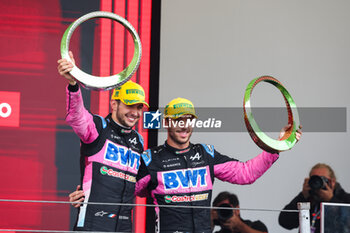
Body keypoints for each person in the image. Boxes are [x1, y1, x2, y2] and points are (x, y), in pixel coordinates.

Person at [135, 97, 302, 233]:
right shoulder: (151, 160)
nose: (184, 126)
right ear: (166, 123)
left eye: (189, 120)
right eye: (178, 120)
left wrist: (277, 146)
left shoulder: (206, 155)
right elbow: (128, 190)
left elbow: (246, 173)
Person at [57, 52, 149, 232]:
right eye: (130, 105)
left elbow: (139, 184)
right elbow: (77, 117)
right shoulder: (99, 127)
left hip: (123, 226)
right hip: (93, 224)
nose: (135, 112)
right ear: (114, 104)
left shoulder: (138, 140)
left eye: (139, 107)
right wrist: (73, 84)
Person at [278, 163, 350, 233]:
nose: (318, 182)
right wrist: (303, 196)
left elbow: (346, 224)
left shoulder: (346, 199)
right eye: (314, 179)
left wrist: (331, 200)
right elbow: (284, 222)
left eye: (322, 179)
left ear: (332, 182)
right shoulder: (309, 199)